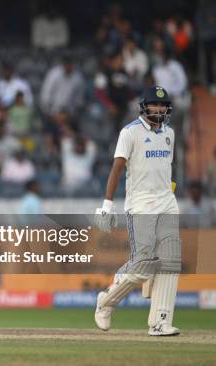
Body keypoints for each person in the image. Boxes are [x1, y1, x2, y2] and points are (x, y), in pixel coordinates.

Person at [93, 86, 181, 336]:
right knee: (143, 266)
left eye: (163, 106)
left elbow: (165, 168)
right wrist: (106, 206)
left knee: (171, 260)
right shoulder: (129, 132)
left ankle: (160, 321)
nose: (160, 109)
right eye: (155, 105)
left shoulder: (170, 134)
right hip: (140, 203)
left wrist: (168, 192)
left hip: (167, 202)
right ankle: (106, 301)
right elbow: (117, 170)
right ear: (144, 107)